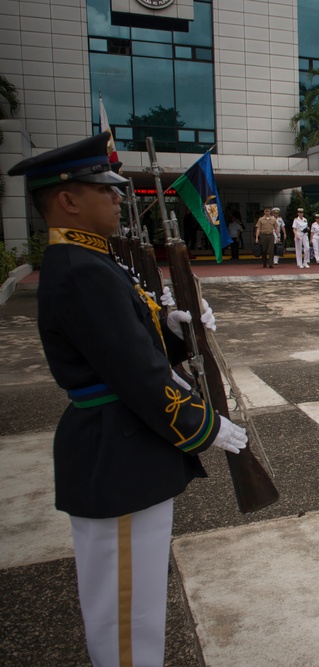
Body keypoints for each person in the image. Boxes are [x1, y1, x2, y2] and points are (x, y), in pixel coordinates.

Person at [9, 132, 247, 667]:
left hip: (126, 448)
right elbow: (137, 374)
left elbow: (135, 344)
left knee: (137, 598)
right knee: (125, 614)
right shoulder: (82, 272)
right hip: (115, 455)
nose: (119, 198)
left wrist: (178, 330)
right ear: (68, 200)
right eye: (106, 189)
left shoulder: (92, 263)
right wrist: (203, 424)